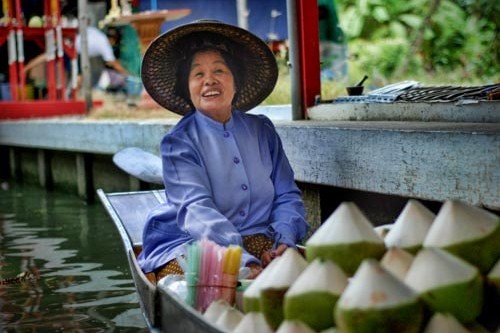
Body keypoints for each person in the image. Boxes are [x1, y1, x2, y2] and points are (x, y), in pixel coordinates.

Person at [138, 20, 308, 283]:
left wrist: (284, 240)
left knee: (299, 275)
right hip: (192, 242)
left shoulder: (262, 130)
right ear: (187, 87)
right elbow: (196, 210)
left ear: (236, 81)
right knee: (200, 286)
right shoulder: (179, 143)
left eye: (219, 70)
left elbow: (287, 196)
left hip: (260, 236)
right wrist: (242, 262)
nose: (209, 81)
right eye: (198, 74)